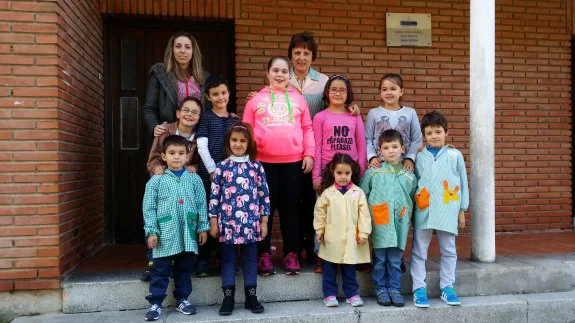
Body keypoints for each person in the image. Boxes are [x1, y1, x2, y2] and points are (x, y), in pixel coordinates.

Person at [242, 56, 314, 275]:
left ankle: (291, 254)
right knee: (264, 211)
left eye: (284, 71)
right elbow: (246, 131)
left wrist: (309, 153)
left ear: (289, 75)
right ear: (268, 73)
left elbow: (308, 128)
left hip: (293, 164)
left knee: (290, 211)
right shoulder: (255, 100)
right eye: (276, 70)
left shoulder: (299, 99)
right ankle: (263, 254)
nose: (280, 75)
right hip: (262, 164)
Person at [142, 135, 209, 321]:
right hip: (165, 233)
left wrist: (203, 227)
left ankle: (182, 299)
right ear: (163, 156)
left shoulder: (194, 179)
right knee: (160, 270)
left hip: (188, 231)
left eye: (181, 153)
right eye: (172, 153)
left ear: (188, 156)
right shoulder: (156, 180)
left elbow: (202, 204)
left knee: (184, 269)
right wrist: (152, 231)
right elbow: (149, 208)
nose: (176, 157)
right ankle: (155, 303)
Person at [208, 122, 270, 316]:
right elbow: (215, 195)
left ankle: (251, 296)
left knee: (251, 258)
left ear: (249, 143)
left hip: (251, 224)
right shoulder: (221, 167)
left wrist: (264, 220)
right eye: (234, 140)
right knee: (227, 259)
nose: (238, 144)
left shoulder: (256, 166)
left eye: (242, 141)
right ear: (228, 142)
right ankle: (228, 297)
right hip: (227, 224)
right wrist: (213, 221)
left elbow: (264, 194)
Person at [410, 110, 469, 308]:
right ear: (424, 135)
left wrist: (462, 209)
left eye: (438, 132)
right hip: (424, 209)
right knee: (419, 251)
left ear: (446, 132)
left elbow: (463, 182)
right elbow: (414, 183)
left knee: (449, 250)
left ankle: (447, 287)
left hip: (448, 209)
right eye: (429, 133)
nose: (434, 136)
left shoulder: (455, 155)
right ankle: (419, 288)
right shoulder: (419, 157)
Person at [311, 75, 366, 272]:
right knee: (326, 215)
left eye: (342, 90)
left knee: (352, 216)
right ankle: (322, 255)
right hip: (328, 174)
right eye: (333, 89)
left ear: (348, 93)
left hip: (351, 174)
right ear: (326, 93)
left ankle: (355, 256)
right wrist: (316, 176)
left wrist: (361, 172)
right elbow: (316, 147)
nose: (337, 93)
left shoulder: (354, 116)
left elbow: (361, 145)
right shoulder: (320, 117)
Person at [359, 129, 417, 308]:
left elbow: (413, 196)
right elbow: (362, 194)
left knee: (394, 259)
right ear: (380, 151)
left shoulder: (409, 175)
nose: (391, 150)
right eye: (386, 147)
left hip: (400, 222)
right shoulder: (373, 173)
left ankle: (394, 289)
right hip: (380, 222)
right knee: (380, 259)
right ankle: (381, 290)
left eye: (395, 146)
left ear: (403, 148)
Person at [313, 153, 371, 307]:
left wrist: (364, 233)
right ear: (333, 171)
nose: (343, 177)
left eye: (347, 173)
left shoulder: (358, 193)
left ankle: (352, 294)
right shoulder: (327, 193)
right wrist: (319, 230)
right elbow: (320, 213)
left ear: (352, 172)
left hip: (352, 238)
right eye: (339, 173)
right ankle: (330, 294)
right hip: (332, 238)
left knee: (349, 269)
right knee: (329, 268)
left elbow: (364, 215)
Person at [195, 74, 239, 277]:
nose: (220, 97)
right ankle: (204, 259)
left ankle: (224, 259)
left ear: (228, 93)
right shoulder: (206, 117)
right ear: (208, 97)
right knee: (207, 217)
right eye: (215, 94)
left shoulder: (234, 120)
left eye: (223, 92)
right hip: (209, 176)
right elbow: (201, 146)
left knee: (226, 217)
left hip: (230, 179)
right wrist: (213, 170)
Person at [143, 31, 210, 144]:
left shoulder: (205, 78)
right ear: (172, 50)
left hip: (198, 137)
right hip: (170, 136)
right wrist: (154, 126)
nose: (182, 51)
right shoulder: (160, 74)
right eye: (178, 46)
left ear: (193, 51)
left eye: (187, 47)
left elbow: (211, 107)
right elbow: (149, 109)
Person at [365, 73, 422, 172]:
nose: (389, 92)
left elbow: (417, 139)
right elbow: (367, 139)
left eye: (393, 89)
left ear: (401, 91)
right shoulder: (373, 113)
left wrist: (409, 158)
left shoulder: (410, 113)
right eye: (384, 89)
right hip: (380, 165)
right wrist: (372, 157)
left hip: (404, 166)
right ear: (380, 93)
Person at [146, 96, 202, 176]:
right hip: (164, 177)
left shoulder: (200, 137)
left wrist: (195, 167)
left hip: (186, 181)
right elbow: (154, 158)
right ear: (178, 114)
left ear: (199, 118)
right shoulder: (164, 131)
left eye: (194, 112)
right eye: (186, 110)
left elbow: (199, 162)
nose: (189, 114)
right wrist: (157, 168)